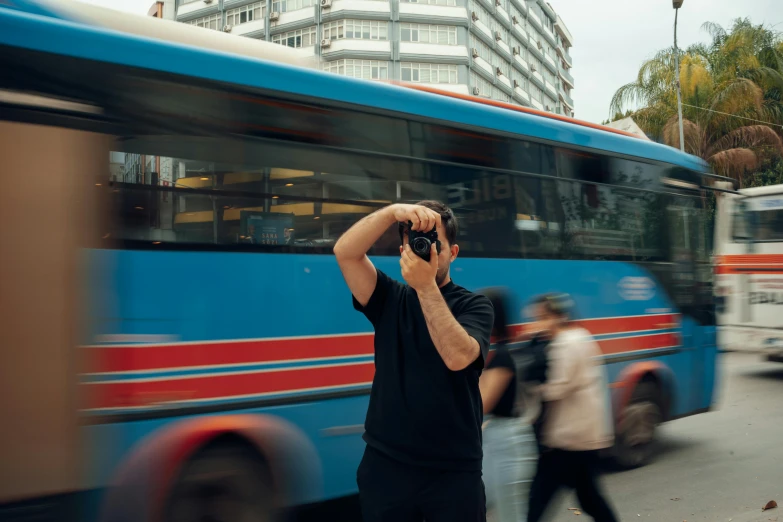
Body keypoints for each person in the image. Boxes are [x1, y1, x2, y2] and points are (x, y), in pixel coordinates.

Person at [333, 201, 495, 522]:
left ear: (453, 253)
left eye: (436, 244)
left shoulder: (475, 305)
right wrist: (392, 211)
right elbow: (345, 252)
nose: (426, 250)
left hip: (452, 472)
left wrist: (425, 287)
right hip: (386, 465)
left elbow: (458, 357)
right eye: (415, 243)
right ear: (403, 250)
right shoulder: (388, 297)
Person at [526, 293, 618, 522]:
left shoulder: (564, 344)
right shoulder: (581, 336)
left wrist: (533, 391)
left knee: (538, 500)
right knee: (589, 498)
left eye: (543, 317)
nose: (539, 323)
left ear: (559, 317)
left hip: (567, 438)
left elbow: (558, 388)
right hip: (584, 435)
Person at [478, 288, 538, 522]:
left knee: (511, 516)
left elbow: (481, 404)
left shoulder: (502, 357)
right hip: (497, 438)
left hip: (509, 443)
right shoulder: (496, 353)